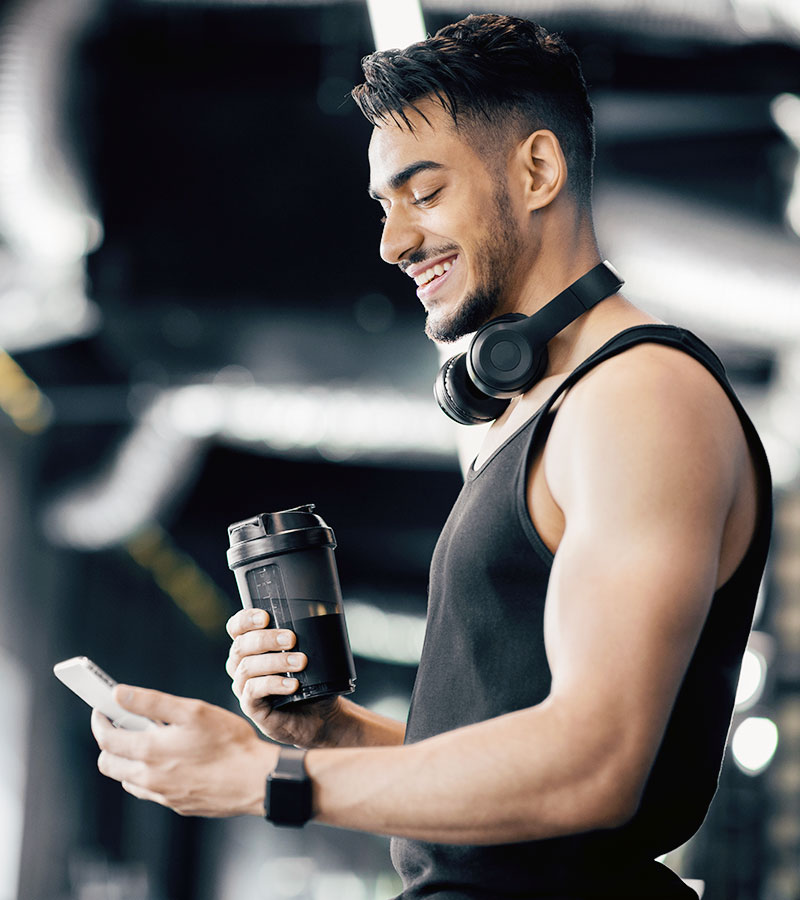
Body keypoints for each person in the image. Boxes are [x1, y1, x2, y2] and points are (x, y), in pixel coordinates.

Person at [92, 14, 772, 899]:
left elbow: (592, 768)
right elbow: (510, 776)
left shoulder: (639, 400)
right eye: (386, 206)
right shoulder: (543, 411)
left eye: (424, 192)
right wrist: (329, 735)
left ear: (537, 169)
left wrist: (263, 781)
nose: (394, 242)